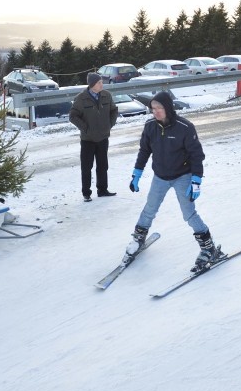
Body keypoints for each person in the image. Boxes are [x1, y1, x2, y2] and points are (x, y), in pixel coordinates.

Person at [124, 91, 223, 271]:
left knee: (189, 214)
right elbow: (144, 151)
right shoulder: (150, 126)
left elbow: (197, 155)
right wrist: (136, 173)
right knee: (149, 209)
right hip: (160, 176)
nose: (156, 112)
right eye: (153, 109)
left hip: (182, 176)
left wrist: (196, 180)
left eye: (159, 108)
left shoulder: (184, 127)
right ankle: (138, 239)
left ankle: (209, 248)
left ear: (168, 108)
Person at [69, 72, 119, 202]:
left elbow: (114, 110)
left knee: (103, 165)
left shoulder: (106, 95)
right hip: (88, 140)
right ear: (92, 85)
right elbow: (73, 116)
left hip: (103, 137)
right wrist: (85, 128)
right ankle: (86, 193)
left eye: (101, 82)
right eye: (99, 82)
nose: (102, 84)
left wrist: (110, 124)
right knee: (86, 167)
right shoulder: (81, 98)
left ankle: (102, 190)